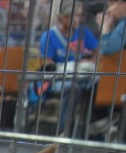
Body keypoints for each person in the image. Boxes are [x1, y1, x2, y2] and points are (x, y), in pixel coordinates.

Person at [38, 0, 99, 135]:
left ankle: (95, 128)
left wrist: (87, 62)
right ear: (65, 18)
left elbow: (97, 52)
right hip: (56, 80)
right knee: (72, 88)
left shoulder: (83, 32)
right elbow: (47, 64)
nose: (80, 19)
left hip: (82, 76)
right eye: (76, 15)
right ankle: (63, 131)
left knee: (98, 85)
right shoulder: (49, 36)